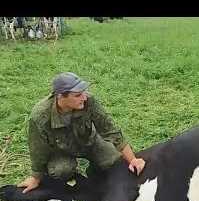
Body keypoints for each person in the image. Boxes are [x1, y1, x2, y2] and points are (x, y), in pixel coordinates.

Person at [17, 72, 146, 194]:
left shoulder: (89, 101)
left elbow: (110, 129)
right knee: (61, 171)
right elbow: (38, 149)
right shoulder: (40, 116)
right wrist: (35, 177)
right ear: (61, 96)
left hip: (90, 140)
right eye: (78, 95)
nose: (84, 97)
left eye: (83, 92)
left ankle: (93, 168)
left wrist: (132, 159)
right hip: (61, 151)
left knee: (115, 160)